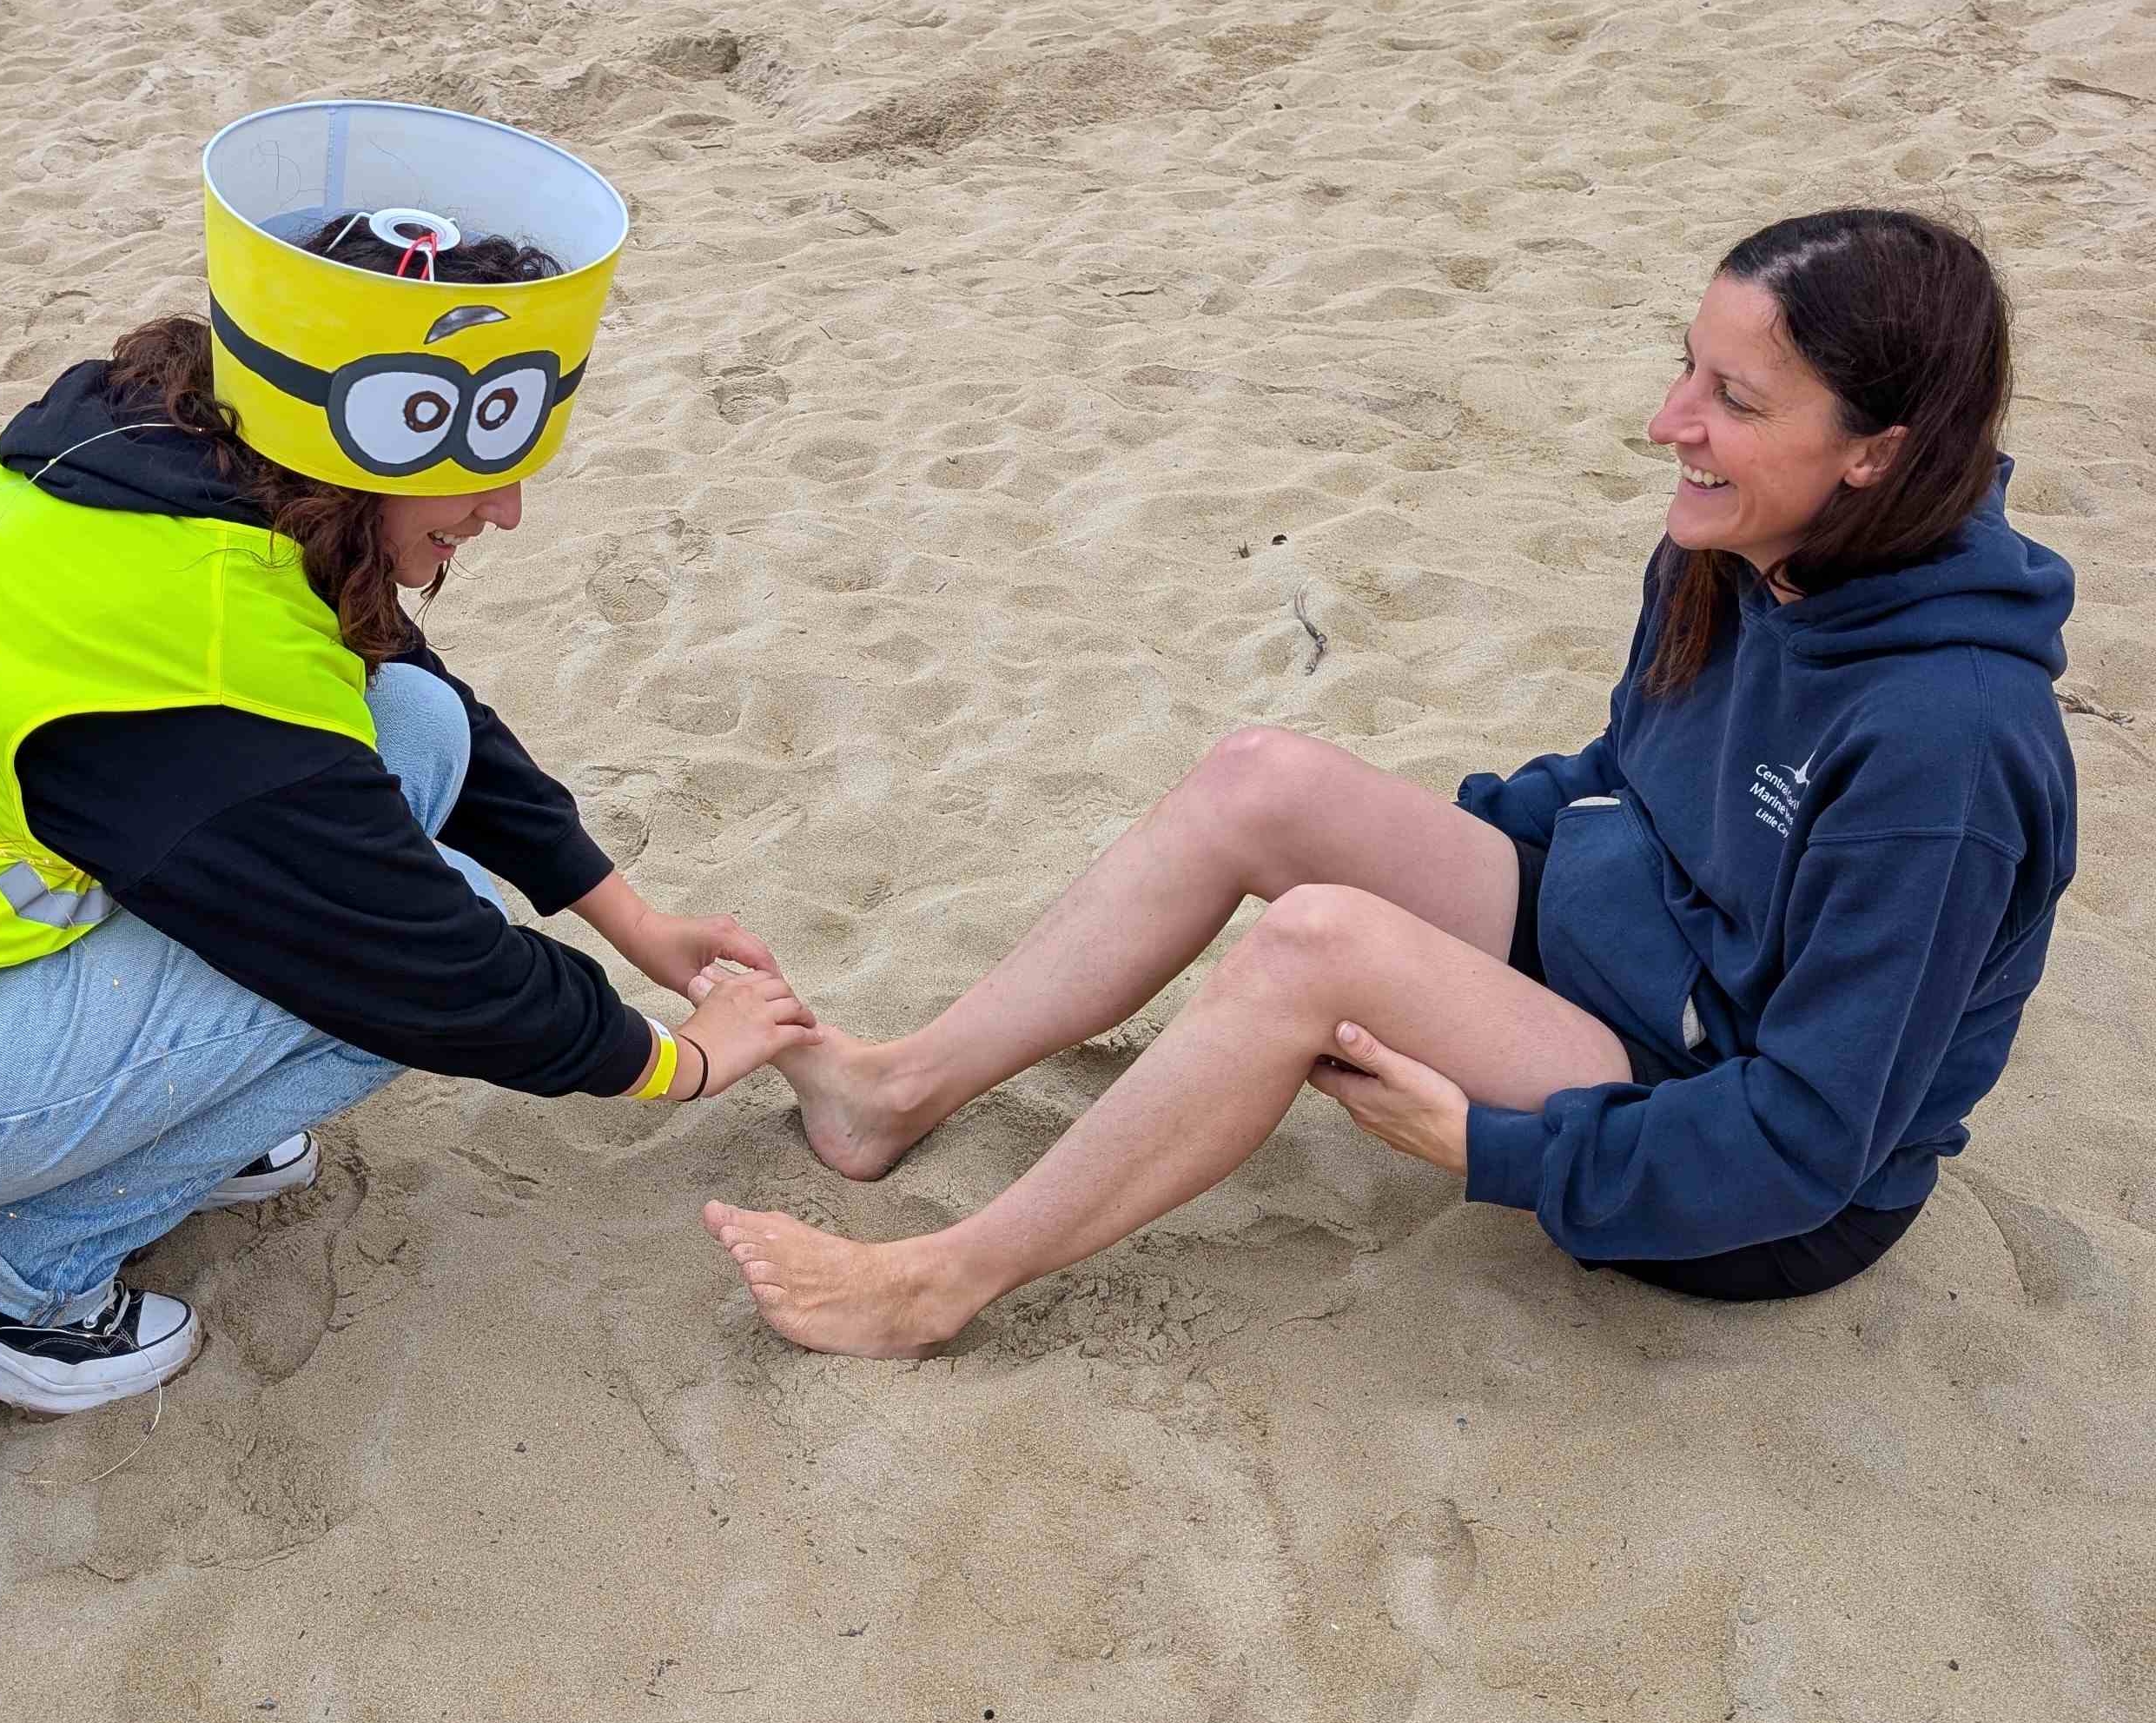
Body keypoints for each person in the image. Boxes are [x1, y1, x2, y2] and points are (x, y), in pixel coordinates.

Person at [0, 99, 811, 1663]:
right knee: (392, 976)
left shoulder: (180, 451)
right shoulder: (194, 654)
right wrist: (676, 1061)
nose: (506, 509)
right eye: (478, 472)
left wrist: (630, 919)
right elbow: (429, 969)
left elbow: (395, 674)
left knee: (411, 735)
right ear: (366, 446)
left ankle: (137, 1130)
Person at [704, 209, 2077, 1356]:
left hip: (1731, 1157)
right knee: (1263, 779)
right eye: (1687, 369)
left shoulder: (1944, 748)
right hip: (1623, 964)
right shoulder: (1739, 548)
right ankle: (897, 1091)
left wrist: (1490, 1148)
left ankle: (937, 1284)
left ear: (1877, 453)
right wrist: (1428, 872)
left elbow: (1812, 1141)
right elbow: (1630, 778)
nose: (1671, 423)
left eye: (1736, 400)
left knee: (1318, 946)